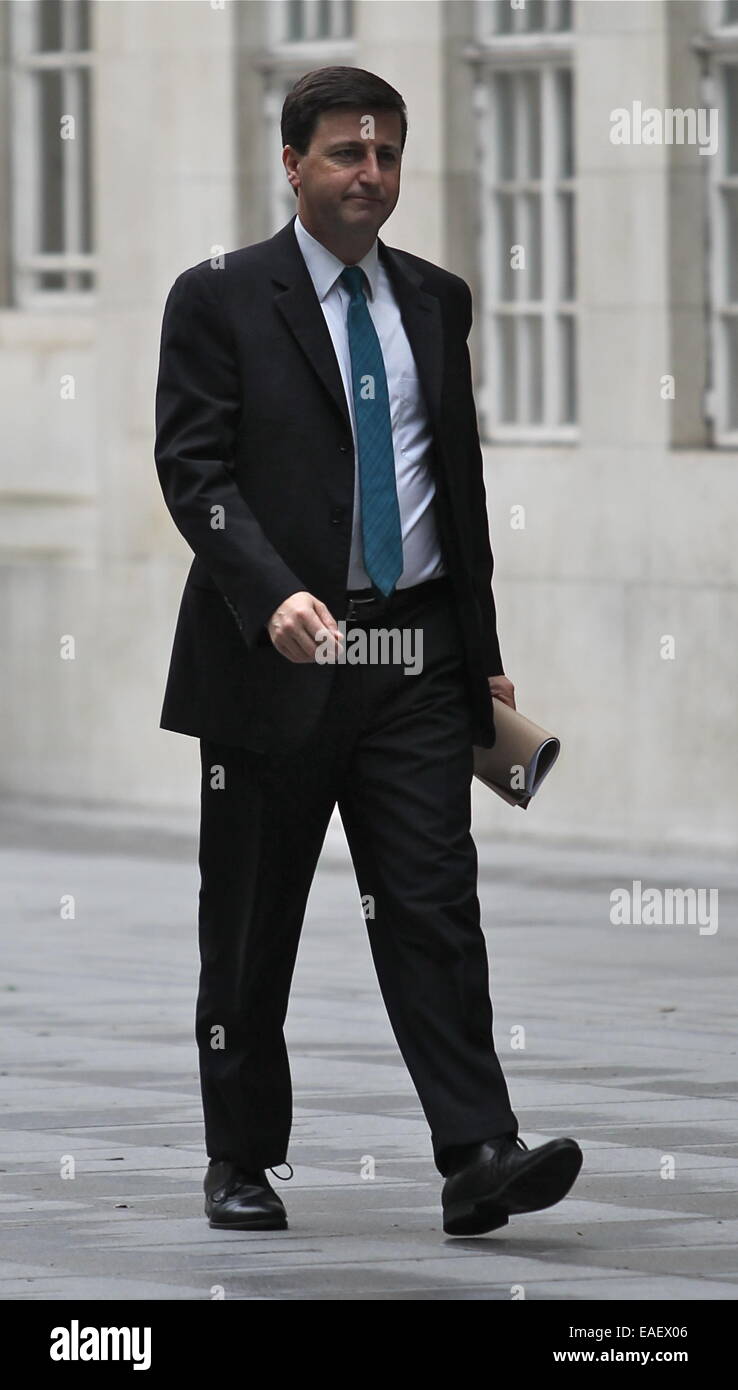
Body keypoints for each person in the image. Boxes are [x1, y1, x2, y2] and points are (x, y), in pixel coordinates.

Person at [153, 65, 582, 1236]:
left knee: (436, 902)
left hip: (412, 658)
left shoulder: (437, 301)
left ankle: (478, 1151)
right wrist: (275, 591)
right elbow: (195, 472)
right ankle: (240, 1158)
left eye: (388, 153)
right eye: (347, 153)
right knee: (251, 921)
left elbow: (459, 486)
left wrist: (481, 654)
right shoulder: (220, 297)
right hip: (271, 661)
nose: (372, 174)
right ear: (293, 165)